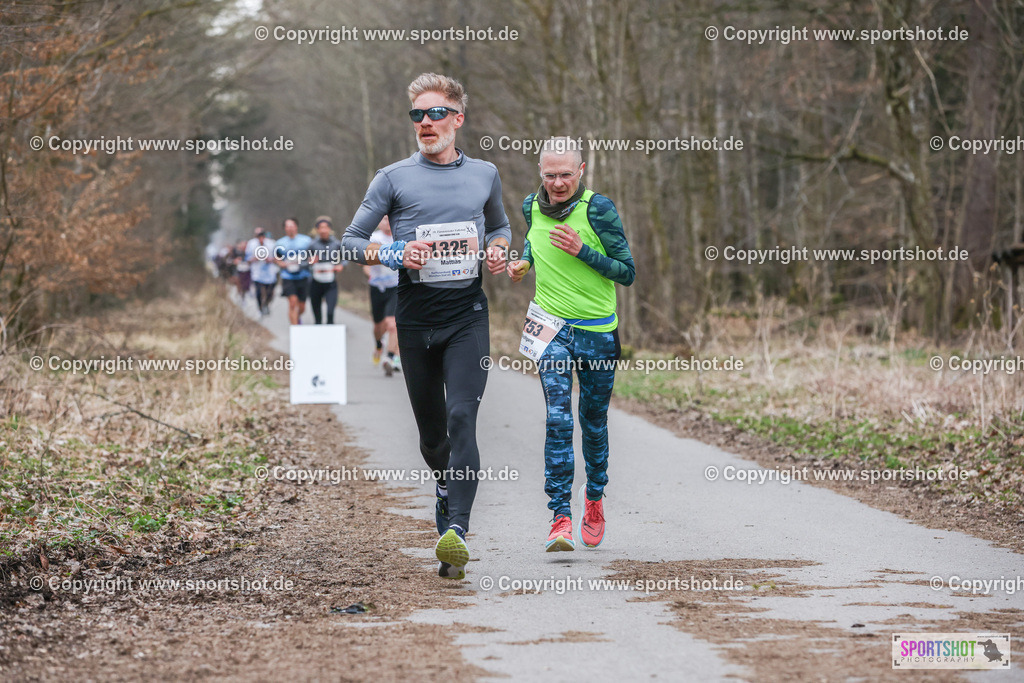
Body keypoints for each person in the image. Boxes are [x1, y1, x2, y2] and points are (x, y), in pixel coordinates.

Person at [341, 72, 511, 580]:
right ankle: (444, 486)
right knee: (434, 438)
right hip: (414, 317)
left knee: (463, 418)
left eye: (436, 113)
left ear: (458, 119)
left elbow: (499, 225)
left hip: (467, 316)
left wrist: (499, 248)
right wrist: (396, 251)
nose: (425, 123)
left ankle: (455, 530)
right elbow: (351, 241)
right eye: (417, 115)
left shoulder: (485, 174)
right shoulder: (392, 178)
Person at [507, 137, 635, 552]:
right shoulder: (530, 205)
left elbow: (626, 272)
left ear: (580, 171)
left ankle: (594, 497)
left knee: (592, 421)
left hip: (597, 330)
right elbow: (533, 241)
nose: (558, 183)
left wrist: (584, 252)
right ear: (539, 173)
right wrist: (524, 261)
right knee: (558, 419)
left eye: (565, 174)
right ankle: (560, 515)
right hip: (550, 328)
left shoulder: (598, 209)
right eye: (550, 175)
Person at [363, 216, 401, 375]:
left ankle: (390, 358)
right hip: (377, 286)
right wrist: (369, 274)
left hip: (395, 286)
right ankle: (379, 344)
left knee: (392, 323)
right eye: (384, 219)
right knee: (378, 326)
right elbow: (363, 263)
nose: (387, 222)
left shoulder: (400, 237)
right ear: (379, 222)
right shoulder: (374, 238)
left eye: (389, 219)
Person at [274, 217, 313, 325]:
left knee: (302, 306)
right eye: (288, 226)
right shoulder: (280, 243)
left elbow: (313, 255)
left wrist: (309, 261)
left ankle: (297, 316)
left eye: (292, 226)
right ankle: (295, 329)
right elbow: (277, 258)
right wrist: (282, 263)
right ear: (285, 228)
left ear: (296, 227)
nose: (290, 228)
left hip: (303, 275)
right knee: (292, 303)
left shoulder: (306, 241)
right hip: (288, 276)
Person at [309, 216, 345, 324]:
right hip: (316, 282)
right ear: (317, 230)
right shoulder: (312, 245)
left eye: (326, 227)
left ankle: (330, 334)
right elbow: (304, 262)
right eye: (321, 227)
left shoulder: (337, 244)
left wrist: (341, 265)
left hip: (331, 283)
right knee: (317, 316)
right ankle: (319, 337)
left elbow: (346, 258)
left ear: (330, 229)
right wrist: (310, 261)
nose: (323, 230)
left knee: (330, 312)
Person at [247, 227, 278, 316]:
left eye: (261, 236)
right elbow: (247, 259)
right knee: (259, 292)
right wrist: (255, 258)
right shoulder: (251, 244)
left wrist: (271, 260)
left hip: (270, 272)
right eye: (258, 236)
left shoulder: (272, 244)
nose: (260, 238)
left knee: (270, 292)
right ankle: (260, 308)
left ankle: (266, 304)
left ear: (264, 236)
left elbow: (278, 258)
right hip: (257, 273)